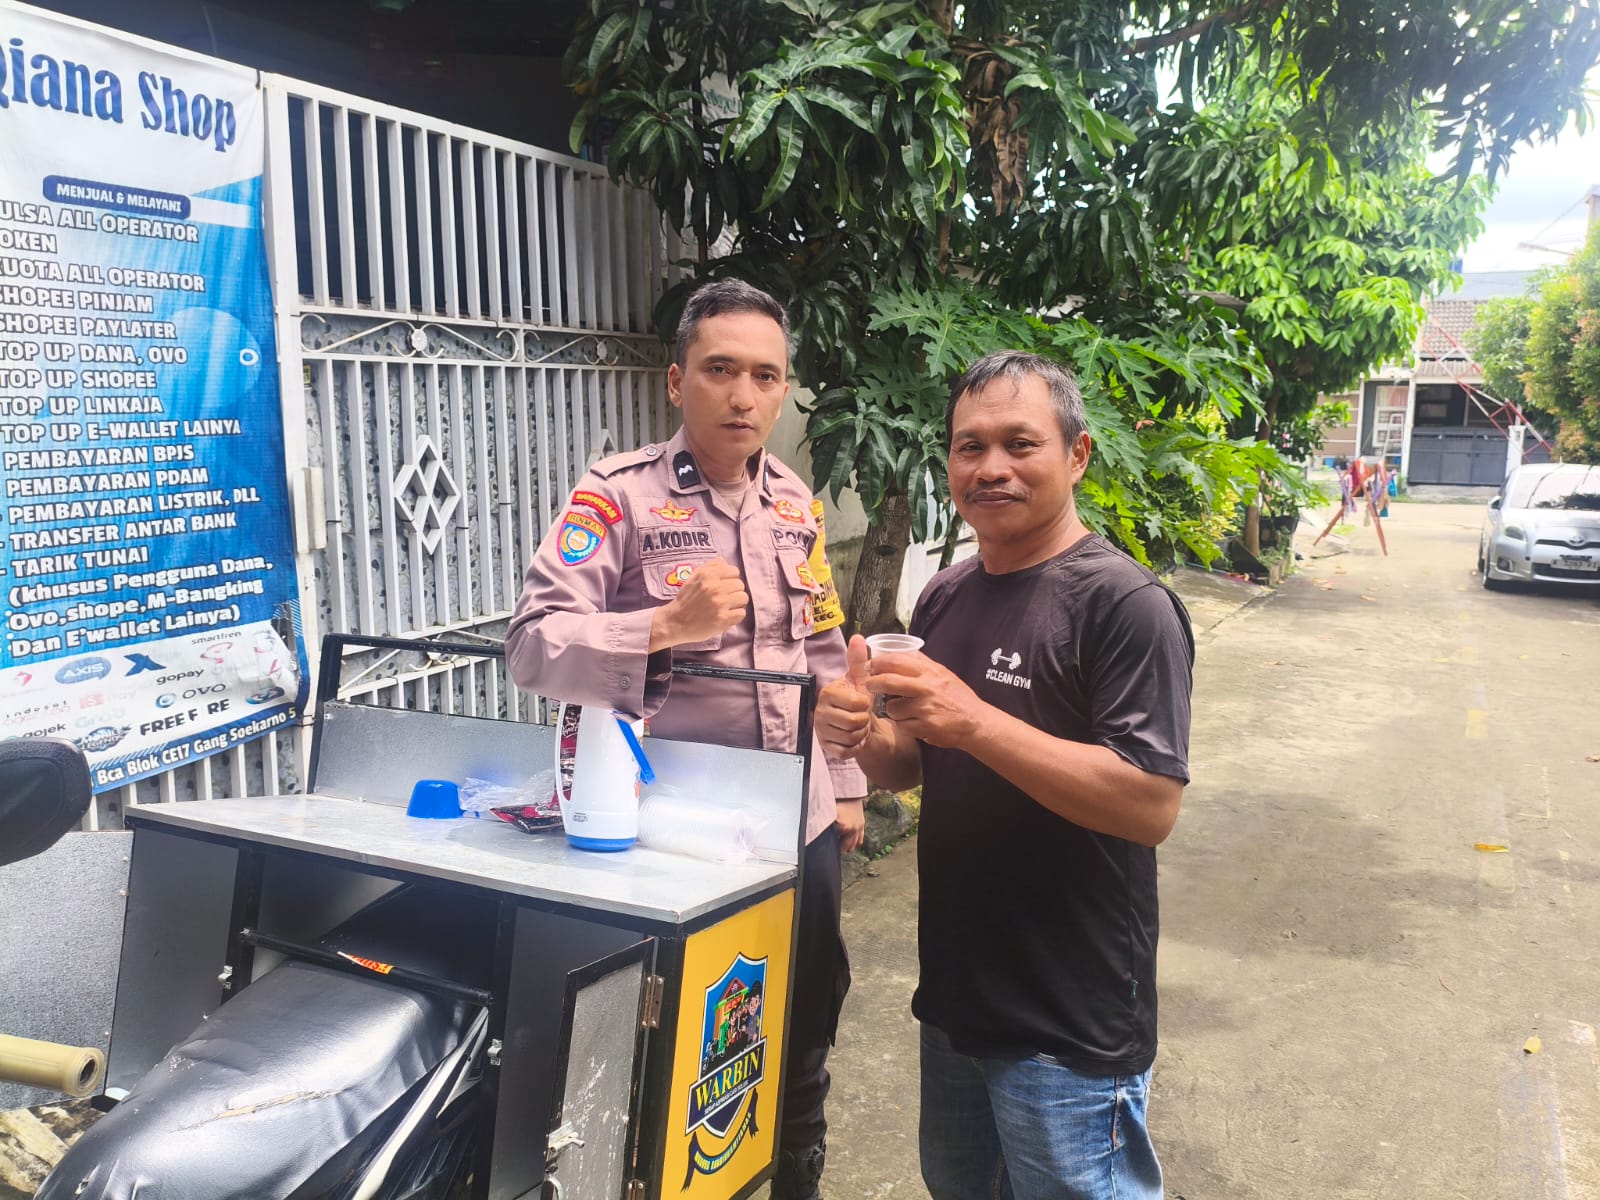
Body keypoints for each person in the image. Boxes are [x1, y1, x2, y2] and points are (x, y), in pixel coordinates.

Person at [505, 278, 866, 1200]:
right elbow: (532, 646)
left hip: (799, 826)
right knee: (674, 1059)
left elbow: (824, 656)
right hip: (672, 839)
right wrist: (664, 625)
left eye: (765, 376)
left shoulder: (795, 502)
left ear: (784, 390)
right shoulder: (617, 495)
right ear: (677, 381)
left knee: (801, 1043)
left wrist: (846, 781)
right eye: (719, 370)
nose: (743, 396)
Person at [815, 350, 1194, 1200]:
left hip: (1070, 1018)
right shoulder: (946, 597)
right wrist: (857, 734)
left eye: (1020, 444)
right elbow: (914, 761)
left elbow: (1149, 805)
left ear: (1077, 454)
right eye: (969, 447)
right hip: (958, 997)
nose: (991, 467)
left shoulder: (1124, 605)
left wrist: (977, 721)